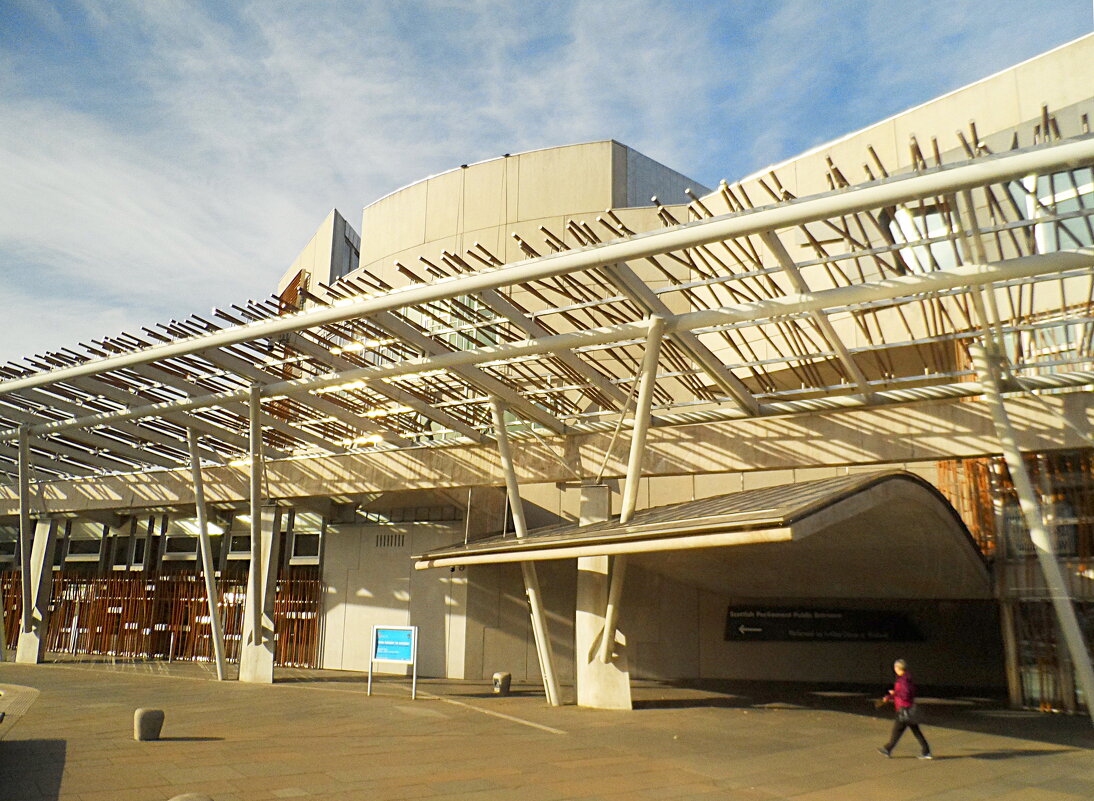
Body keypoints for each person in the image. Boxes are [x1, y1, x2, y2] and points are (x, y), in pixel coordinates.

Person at [877, 658, 932, 759]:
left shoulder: (902, 680)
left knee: (897, 731)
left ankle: (888, 749)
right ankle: (926, 751)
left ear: (897, 668)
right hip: (909, 709)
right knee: (915, 731)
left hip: (903, 709)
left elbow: (904, 694)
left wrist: (894, 694)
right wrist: (890, 697)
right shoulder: (907, 678)